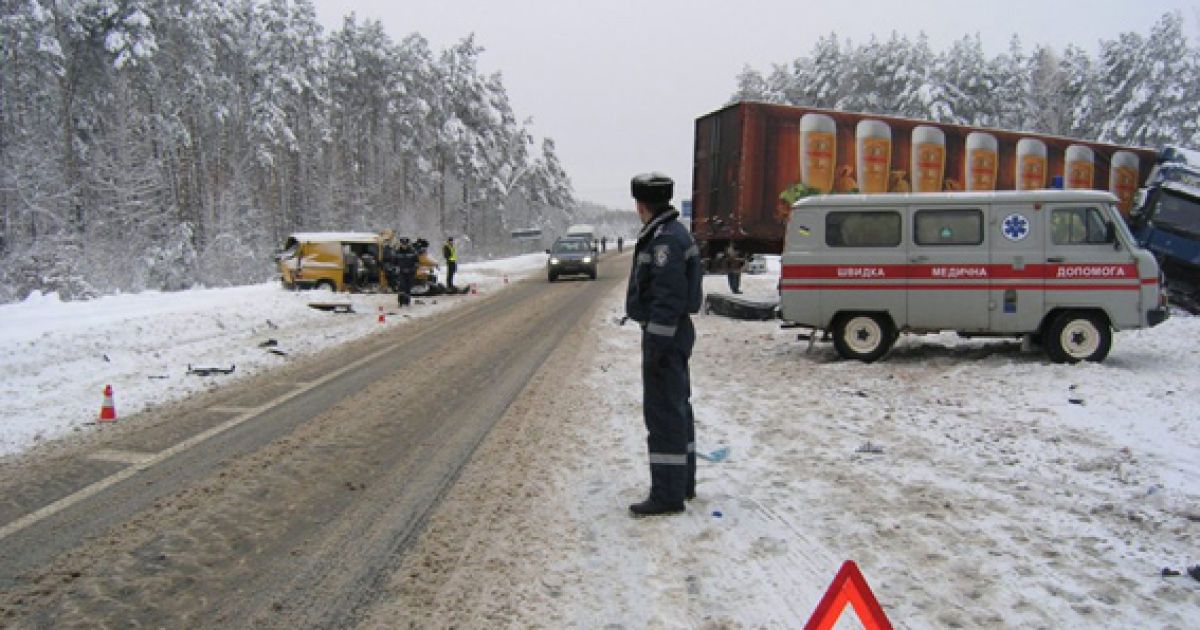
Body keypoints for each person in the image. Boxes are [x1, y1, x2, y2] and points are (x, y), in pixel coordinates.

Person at [625, 172, 703, 517]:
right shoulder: (671, 232)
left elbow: (668, 297)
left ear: (642, 204)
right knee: (677, 408)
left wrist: (656, 345)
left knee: (664, 414)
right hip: (673, 334)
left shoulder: (664, 241)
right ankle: (682, 483)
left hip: (665, 336)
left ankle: (668, 494)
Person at [393, 237, 418, 306]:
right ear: (401, 244)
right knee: (401, 286)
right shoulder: (397, 252)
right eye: (403, 244)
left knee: (408, 287)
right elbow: (394, 262)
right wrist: (396, 268)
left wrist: (413, 269)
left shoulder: (413, 251)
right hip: (401, 272)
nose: (404, 246)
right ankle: (400, 302)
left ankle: (407, 301)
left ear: (408, 244)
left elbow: (416, 262)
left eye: (405, 244)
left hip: (410, 272)